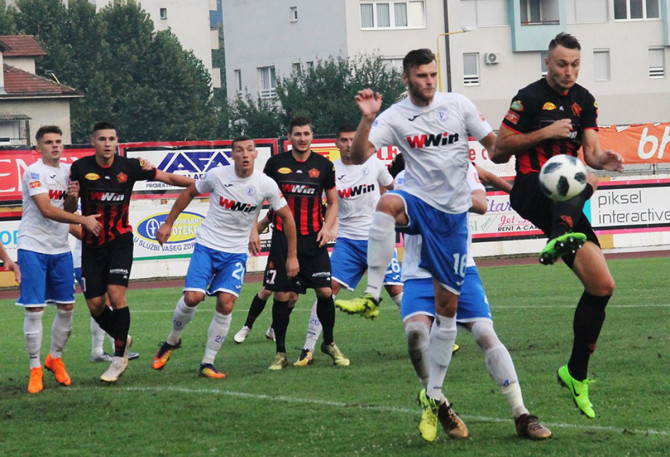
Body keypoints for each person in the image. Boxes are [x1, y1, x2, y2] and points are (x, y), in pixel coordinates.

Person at [334, 48, 496, 438]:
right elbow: (359, 155)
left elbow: (495, 146)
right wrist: (367, 118)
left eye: (433, 74)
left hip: (451, 222)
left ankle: (436, 397)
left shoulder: (458, 105)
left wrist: (527, 154)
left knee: (453, 317)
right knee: (388, 203)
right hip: (419, 206)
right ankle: (372, 295)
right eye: (421, 75)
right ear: (406, 77)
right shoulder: (394, 116)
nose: (429, 81)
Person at [491, 32, 624, 418]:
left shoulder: (585, 100)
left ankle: (575, 373)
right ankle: (560, 235)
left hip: (565, 196)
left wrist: (604, 159)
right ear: (547, 62)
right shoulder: (528, 98)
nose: (569, 71)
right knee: (581, 178)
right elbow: (499, 148)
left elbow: (592, 153)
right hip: (531, 188)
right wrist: (545, 133)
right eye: (562, 64)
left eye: (575, 64)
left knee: (602, 286)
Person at [398, 162, 551, 441]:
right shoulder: (403, 177)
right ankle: (438, 402)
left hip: (460, 268)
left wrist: (442, 197)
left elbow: (481, 204)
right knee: (416, 333)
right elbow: (401, 219)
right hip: (418, 273)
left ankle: (521, 414)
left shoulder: (461, 167)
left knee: (485, 333)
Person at [150, 136, 298, 378]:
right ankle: (172, 341)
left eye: (249, 150)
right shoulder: (217, 175)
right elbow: (190, 191)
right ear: (232, 155)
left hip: (235, 253)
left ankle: (208, 363)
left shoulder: (265, 184)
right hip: (207, 246)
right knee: (193, 297)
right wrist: (168, 223)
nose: (245, 154)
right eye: (239, 150)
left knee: (226, 303)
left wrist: (292, 256)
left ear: (255, 154)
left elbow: (288, 218)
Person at [69, 121, 194, 383]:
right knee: (95, 306)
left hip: (120, 241)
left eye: (111, 139)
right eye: (102, 139)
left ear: (117, 142)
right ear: (93, 142)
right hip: (92, 246)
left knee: (116, 295)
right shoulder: (80, 168)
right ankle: (121, 336)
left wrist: (202, 185)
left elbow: (167, 178)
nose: (107, 143)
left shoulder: (130, 166)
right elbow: (69, 208)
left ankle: (118, 359)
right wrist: (73, 201)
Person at [292, 124, 402, 366]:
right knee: (326, 291)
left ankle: (430, 339)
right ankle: (308, 349)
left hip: (378, 239)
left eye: (353, 139)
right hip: (348, 243)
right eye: (344, 140)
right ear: (336, 143)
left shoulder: (374, 164)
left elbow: (394, 189)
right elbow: (322, 204)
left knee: (397, 291)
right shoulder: (330, 171)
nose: (349, 144)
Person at [16, 125, 103, 394]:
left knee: (67, 307)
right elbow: (45, 209)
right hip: (32, 247)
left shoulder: (68, 172)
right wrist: (83, 220)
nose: (55, 145)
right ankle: (35, 367)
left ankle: (54, 358)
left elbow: (66, 209)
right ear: (38, 148)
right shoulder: (34, 172)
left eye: (58, 141)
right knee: (35, 309)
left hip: (60, 249)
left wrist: (72, 198)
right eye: (49, 142)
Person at [262, 116, 348, 370]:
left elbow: (333, 202)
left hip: (313, 239)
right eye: (297, 134)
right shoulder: (275, 164)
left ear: (312, 136)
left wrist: (327, 228)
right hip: (282, 238)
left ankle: (328, 343)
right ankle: (280, 352)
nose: (302, 138)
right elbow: (261, 195)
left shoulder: (324, 166)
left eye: (306, 134)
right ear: (289, 136)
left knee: (325, 292)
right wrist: (257, 227)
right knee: (282, 294)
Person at [70, 226, 140, 363]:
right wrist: (101, 238)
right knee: (104, 302)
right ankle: (118, 348)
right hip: (86, 260)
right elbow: (73, 228)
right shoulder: (83, 212)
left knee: (102, 303)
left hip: (95, 259)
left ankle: (100, 350)